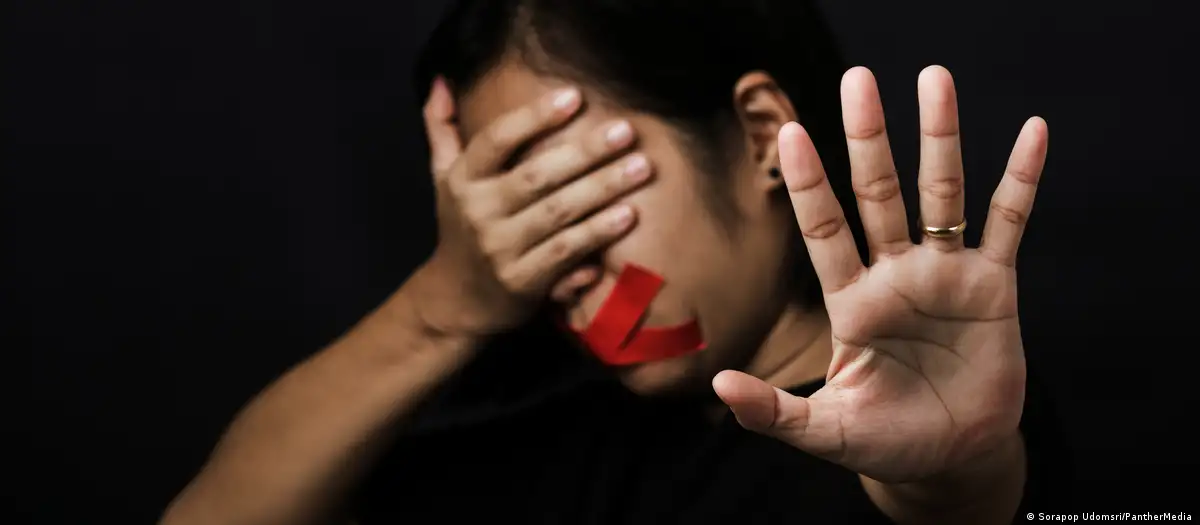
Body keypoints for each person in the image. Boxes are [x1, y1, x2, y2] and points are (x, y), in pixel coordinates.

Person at [161, 0, 1070, 523]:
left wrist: (953, 480)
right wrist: (441, 306)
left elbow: (956, 488)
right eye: (506, 218)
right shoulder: (547, 451)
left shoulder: (934, 420)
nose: (553, 266)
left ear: (761, 134)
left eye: (570, 190)